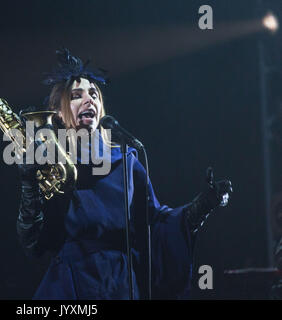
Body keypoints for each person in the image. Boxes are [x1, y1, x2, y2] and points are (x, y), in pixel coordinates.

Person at [16, 49, 233, 299]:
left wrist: (198, 208)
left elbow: (154, 222)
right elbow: (32, 243)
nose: (89, 100)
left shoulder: (126, 161)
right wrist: (28, 184)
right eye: (77, 96)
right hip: (71, 284)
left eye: (94, 95)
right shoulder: (49, 166)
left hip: (119, 283)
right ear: (59, 113)